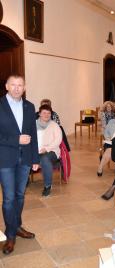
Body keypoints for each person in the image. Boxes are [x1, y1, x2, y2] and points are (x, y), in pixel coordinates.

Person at [0, 75, 39, 254]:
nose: (16, 88)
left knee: (20, 196)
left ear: (24, 87)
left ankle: (16, 226)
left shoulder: (29, 107)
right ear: (7, 86)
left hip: (25, 160)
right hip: (6, 160)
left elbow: (33, 134)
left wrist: (35, 159)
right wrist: (16, 139)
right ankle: (10, 235)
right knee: (9, 199)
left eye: (20, 85)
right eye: (13, 85)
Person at [36, 104, 63, 196]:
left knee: (44, 159)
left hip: (52, 151)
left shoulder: (54, 125)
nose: (46, 115)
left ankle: (47, 185)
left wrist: (46, 148)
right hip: (36, 150)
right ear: (39, 114)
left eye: (49, 113)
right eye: (44, 113)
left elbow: (58, 140)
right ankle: (24, 181)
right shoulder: (33, 124)